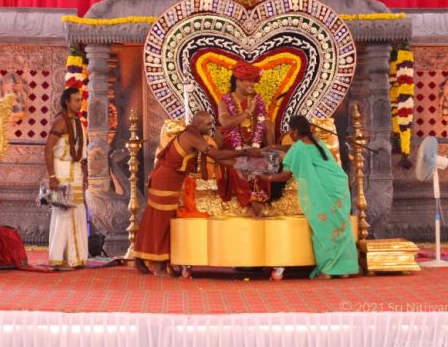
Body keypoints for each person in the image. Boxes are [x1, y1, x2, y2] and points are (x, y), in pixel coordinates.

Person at [134, 111, 261, 276]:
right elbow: (216, 154)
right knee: (161, 221)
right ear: (198, 124)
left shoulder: (196, 135)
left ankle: (142, 257)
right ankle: (158, 266)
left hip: (169, 179)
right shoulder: (191, 136)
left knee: (155, 218)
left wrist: (243, 163)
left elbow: (219, 159)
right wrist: (244, 153)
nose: (211, 127)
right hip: (166, 180)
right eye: (208, 124)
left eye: (212, 123)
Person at [259, 115, 359, 279]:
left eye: (290, 131)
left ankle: (327, 271)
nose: (289, 134)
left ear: (295, 131)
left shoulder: (299, 147)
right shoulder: (317, 141)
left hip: (324, 191)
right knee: (341, 227)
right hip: (338, 187)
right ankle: (344, 269)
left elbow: (284, 176)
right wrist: (274, 147)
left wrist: (265, 177)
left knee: (323, 229)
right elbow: (293, 150)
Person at [217, 60, 273, 214]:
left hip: (253, 147)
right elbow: (225, 123)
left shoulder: (257, 101)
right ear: (238, 81)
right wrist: (247, 112)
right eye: (249, 80)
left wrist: (270, 149)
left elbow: (264, 125)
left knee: (264, 164)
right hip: (233, 149)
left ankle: (260, 200)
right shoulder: (225, 101)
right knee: (238, 166)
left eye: (254, 81)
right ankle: (251, 202)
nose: (252, 84)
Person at [44, 87, 89, 268]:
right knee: (63, 212)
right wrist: (52, 176)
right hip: (61, 170)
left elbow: (82, 154)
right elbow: (48, 149)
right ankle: (59, 258)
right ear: (67, 102)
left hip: (76, 171)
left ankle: (76, 258)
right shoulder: (60, 122)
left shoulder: (78, 122)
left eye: (81, 100)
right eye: (76, 100)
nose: (80, 103)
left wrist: (85, 175)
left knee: (78, 212)